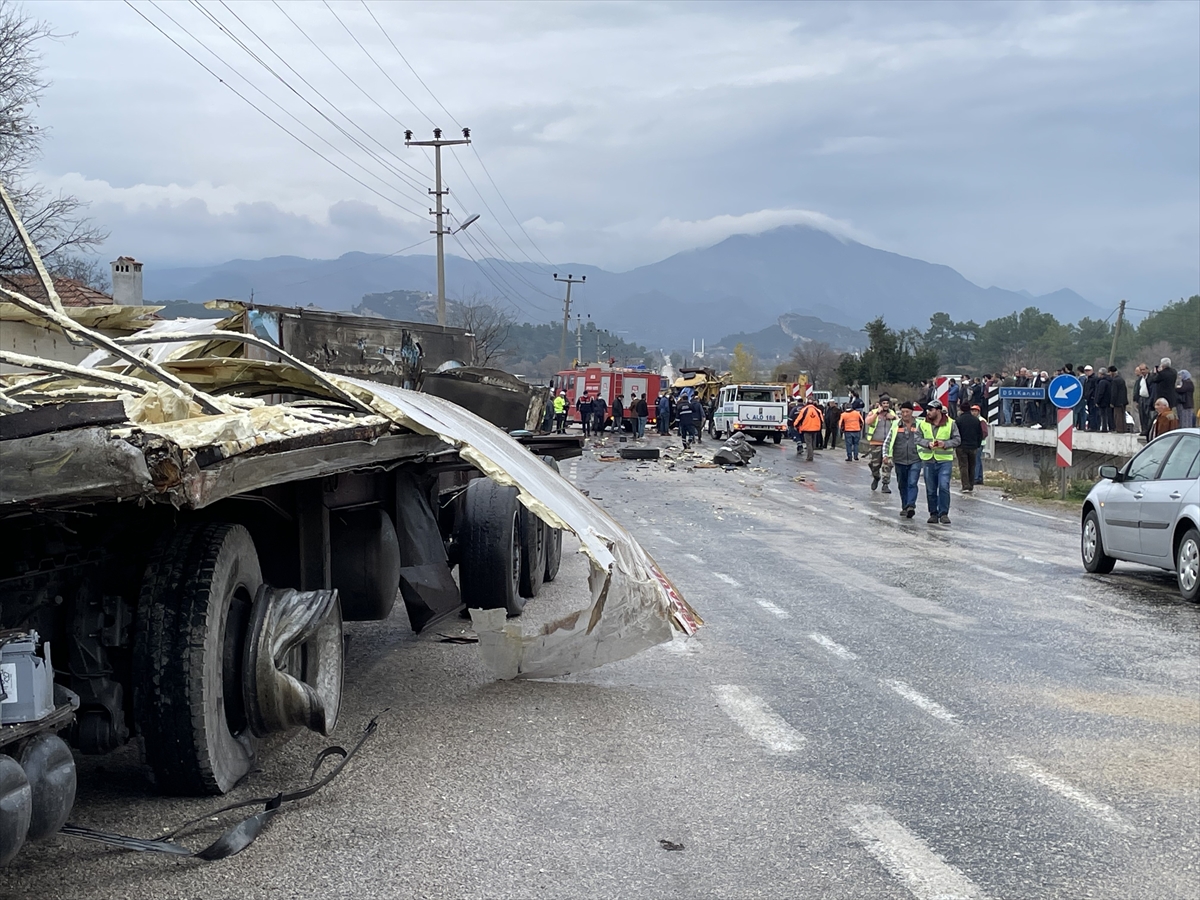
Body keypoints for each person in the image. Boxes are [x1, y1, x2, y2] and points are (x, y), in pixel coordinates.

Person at [916, 400, 960, 525]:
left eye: (931, 410)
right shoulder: (923, 423)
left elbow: (957, 440)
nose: (928, 412)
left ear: (938, 410)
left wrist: (945, 444)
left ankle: (944, 513)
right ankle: (933, 513)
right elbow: (917, 438)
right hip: (929, 460)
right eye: (928, 410)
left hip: (944, 461)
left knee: (944, 486)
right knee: (930, 489)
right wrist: (927, 444)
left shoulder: (951, 424)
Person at [884, 401, 921, 519]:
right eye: (903, 412)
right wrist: (885, 455)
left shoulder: (920, 424)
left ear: (912, 413)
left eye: (907, 412)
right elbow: (888, 441)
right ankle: (905, 506)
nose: (905, 414)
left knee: (912, 482)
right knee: (902, 484)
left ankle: (911, 505)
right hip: (899, 459)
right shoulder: (895, 425)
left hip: (916, 458)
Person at [864, 394, 897, 493]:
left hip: (888, 444)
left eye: (887, 403)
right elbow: (868, 422)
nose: (886, 405)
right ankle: (876, 477)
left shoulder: (892, 414)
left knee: (887, 465)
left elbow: (899, 424)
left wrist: (894, 418)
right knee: (874, 465)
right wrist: (876, 414)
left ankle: (885, 484)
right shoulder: (873, 412)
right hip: (875, 443)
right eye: (884, 403)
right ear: (880, 404)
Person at [954, 403, 983, 493]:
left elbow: (955, 434)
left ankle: (965, 485)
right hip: (973, 446)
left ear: (961, 410)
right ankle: (971, 484)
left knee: (963, 466)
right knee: (972, 466)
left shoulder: (958, 420)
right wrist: (977, 444)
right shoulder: (976, 420)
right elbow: (980, 434)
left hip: (961, 446)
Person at [1134, 364, 1153, 438]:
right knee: (1142, 415)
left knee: (1148, 415)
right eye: (1141, 370)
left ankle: (1148, 430)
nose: (1142, 371)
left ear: (1147, 370)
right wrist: (1136, 399)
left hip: (1148, 398)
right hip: (1141, 398)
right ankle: (1143, 430)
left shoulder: (1150, 378)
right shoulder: (1140, 379)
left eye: (1144, 370)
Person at [1108, 366, 1128, 433]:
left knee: (1117, 416)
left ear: (1112, 372)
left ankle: (1119, 429)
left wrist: (1112, 402)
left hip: (1117, 402)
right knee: (1122, 416)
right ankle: (1123, 429)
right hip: (1123, 401)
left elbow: (1114, 392)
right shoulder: (1121, 379)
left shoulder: (1115, 381)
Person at [1094, 367, 1113, 433]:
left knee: (1103, 415)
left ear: (1102, 374)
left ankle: (1104, 428)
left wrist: (1097, 401)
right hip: (1108, 401)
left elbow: (1100, 392)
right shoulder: (1110, 381)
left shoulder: (1102, 382)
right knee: (1108, 415)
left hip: (1102, 401)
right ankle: (1111, 427)